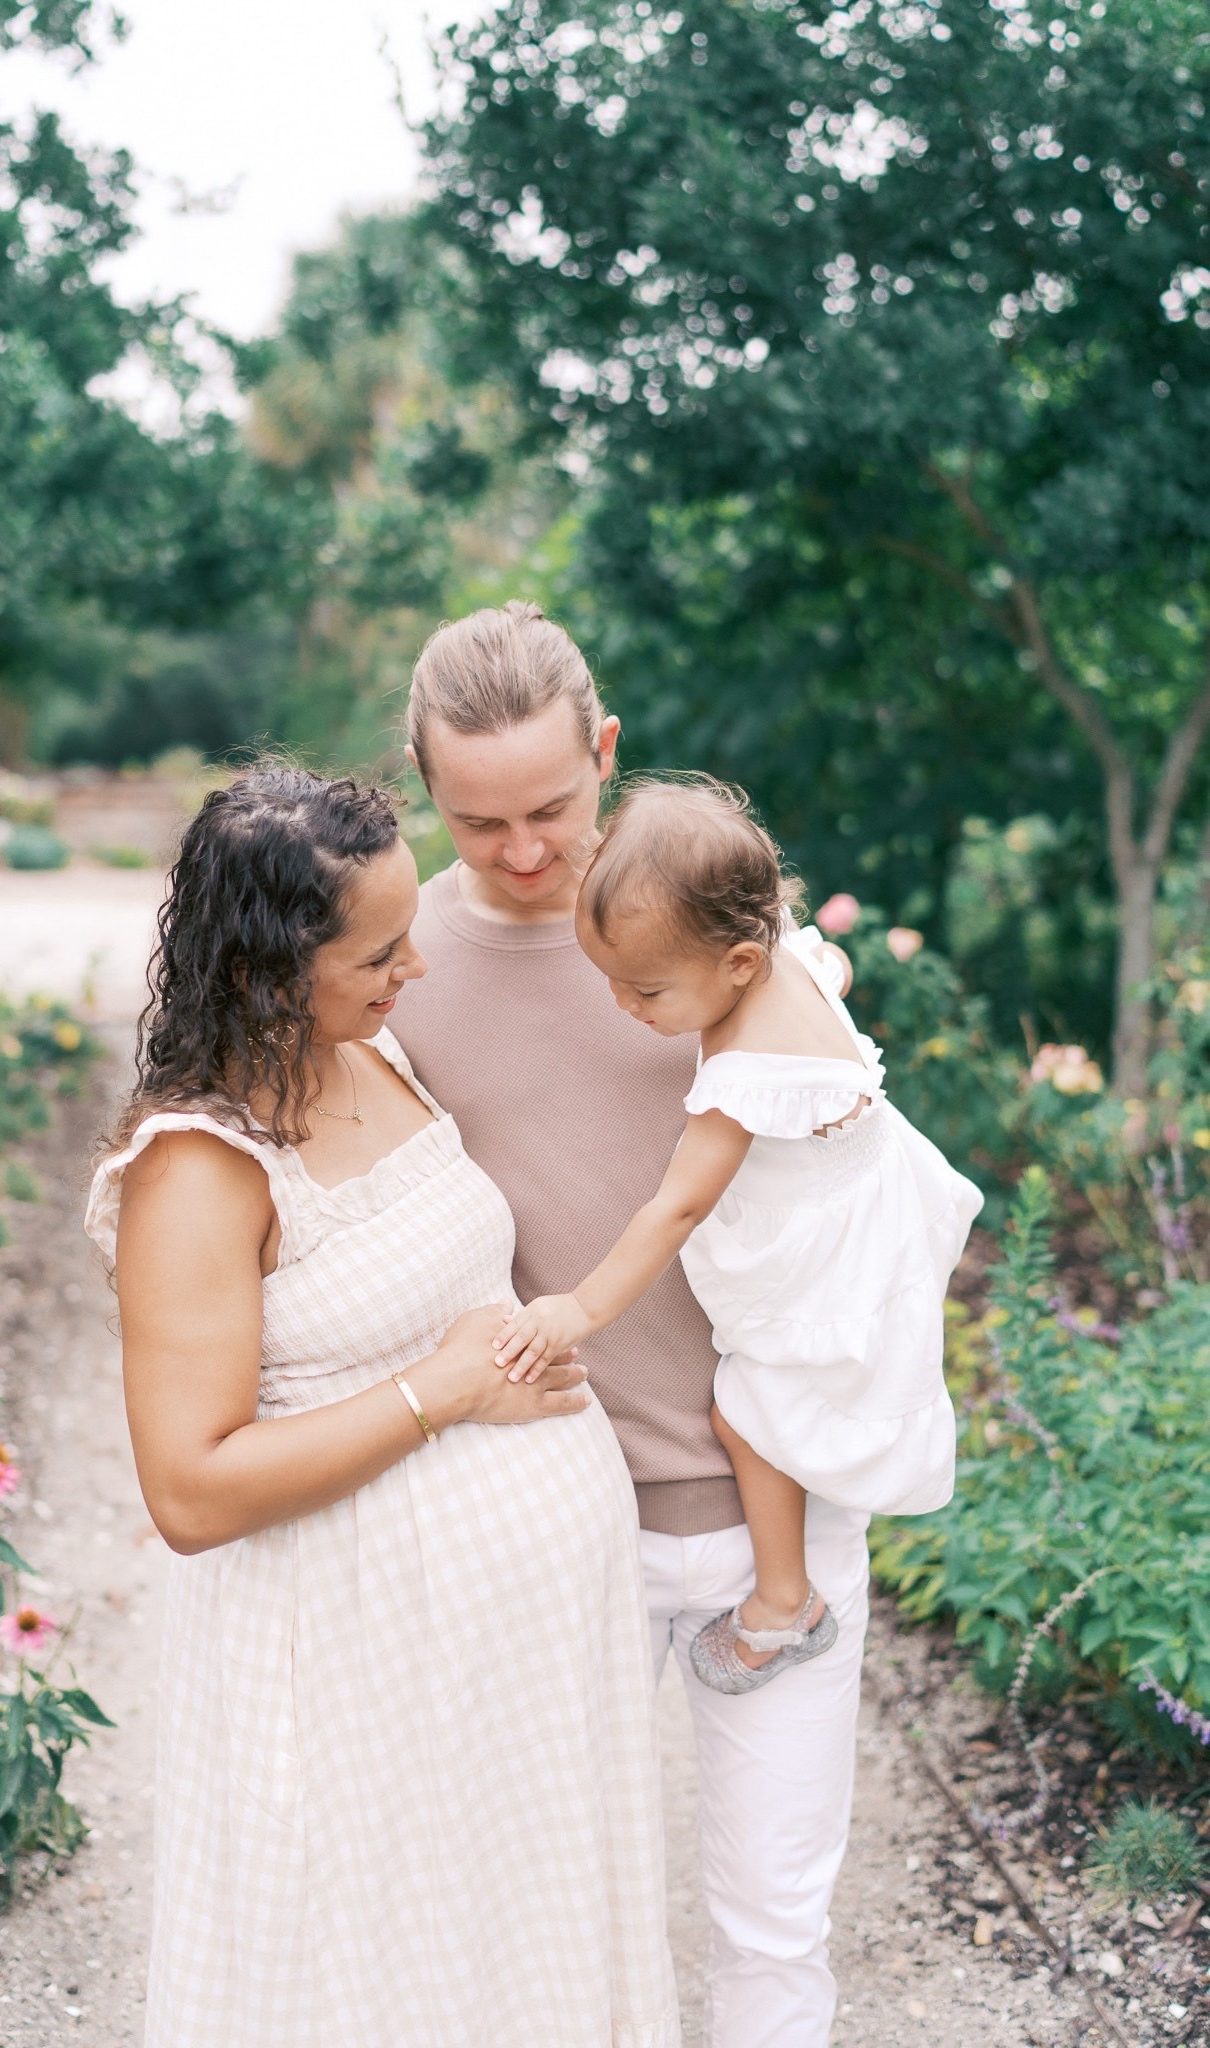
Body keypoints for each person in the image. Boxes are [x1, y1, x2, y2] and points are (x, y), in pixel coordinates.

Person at [85, 764, 680, 2048]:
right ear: (267, 968)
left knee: (507, 1972)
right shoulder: (197, 1167)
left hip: (506, 1676)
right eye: (379, 950)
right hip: (350, 1666)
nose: (415, 965)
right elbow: (190, 1490)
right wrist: (441, 1392)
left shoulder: (378, 1047)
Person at [390, 601, 865, 2048]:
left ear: (606, 751)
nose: (524, 850)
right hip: (548, 1511)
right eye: (479, 824)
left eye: (550, 805)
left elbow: (841, 1177)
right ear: (426, 793)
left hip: (772, 1501)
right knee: (524, 1923)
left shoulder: (725, 943)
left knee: (773, 1923)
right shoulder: (394, 964)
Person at [495, 777, 983, 1695]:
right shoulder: (790, 955)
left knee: (750, 1407)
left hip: (828, 1242)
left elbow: (673, 1208)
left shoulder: (742, 1079)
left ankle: (784, 1600)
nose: (622, 1007)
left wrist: (579, 1307)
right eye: (607, 979)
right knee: (775, 1398)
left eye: (643, 988)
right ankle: (789, 1579)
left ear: (738, 965)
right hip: (867, 1179)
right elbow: (828, 967)